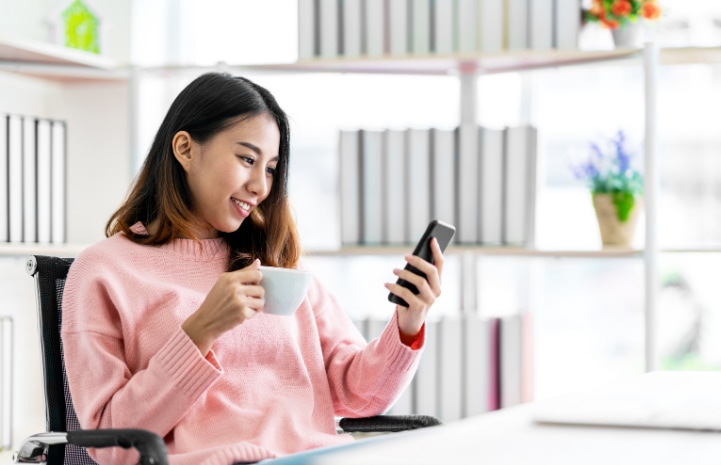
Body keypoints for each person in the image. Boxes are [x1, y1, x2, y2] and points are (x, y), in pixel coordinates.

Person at [61, 72, 445, 465]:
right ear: (185, 149)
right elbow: (111, 442)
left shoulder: (278, 266)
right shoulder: (105, 271)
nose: (261, 187)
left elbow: (360, 396)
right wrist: (200, 331)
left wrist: (407, 324)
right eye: (247, 159)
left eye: (271, 169)